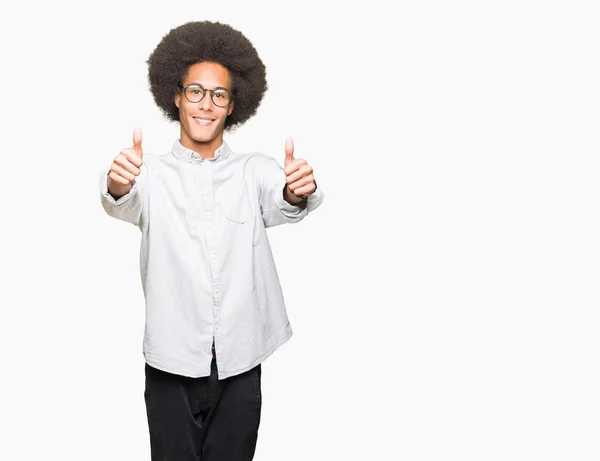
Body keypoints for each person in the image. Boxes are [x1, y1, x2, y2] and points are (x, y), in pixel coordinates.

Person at [98, 20, 324, 461]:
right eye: (196, 92)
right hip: (171, 359)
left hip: (241, 360)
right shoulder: (151, 174)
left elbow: (288, 199)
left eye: (218, 94)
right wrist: (118, 182)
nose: (206, 104)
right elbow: (119, 199)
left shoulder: (254, 171)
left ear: (233, 104)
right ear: (177, 96)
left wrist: (299, 187)